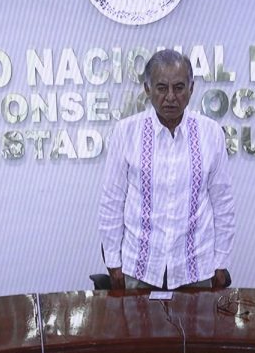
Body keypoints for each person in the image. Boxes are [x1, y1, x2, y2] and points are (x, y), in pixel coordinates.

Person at [98, 49, 235, 290]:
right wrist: (113, 263)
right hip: (138, 269)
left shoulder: (211, 133)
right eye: (162, 88)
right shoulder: (126, 132)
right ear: (147, 89)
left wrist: (221, 261)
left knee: (196, 329)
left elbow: (222, 201)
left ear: (191, 88)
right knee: (138, 329)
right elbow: (112, 200)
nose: (170, 97)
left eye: (179, 87)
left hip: (195, 269)